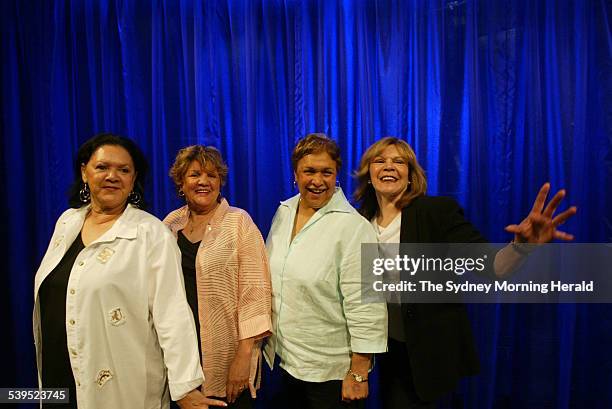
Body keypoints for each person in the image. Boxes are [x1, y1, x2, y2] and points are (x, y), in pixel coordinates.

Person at [354, 136, 578, 408]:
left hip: (428, 353)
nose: (389, 166)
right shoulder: (360, 221)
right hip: (386, 348)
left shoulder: (435, 212)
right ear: (369, 174)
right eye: (380, 161)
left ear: (411, 176)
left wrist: (522, 246)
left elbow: (491, 266)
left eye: (399, 161)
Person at [33, 133, 226, 409]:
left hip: (123, 387)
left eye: (124, 170)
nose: (112, 176)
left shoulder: (151, 234)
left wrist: (185, 388)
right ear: (84, 172)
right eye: (102, 167)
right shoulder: (67, 222)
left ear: (133, 180)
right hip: (58, 379)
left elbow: (172, 314)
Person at [264, 133, 388, 409]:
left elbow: (367, 307)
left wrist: (359, 373)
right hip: (285, 366)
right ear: (295, 173)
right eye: (309, 171)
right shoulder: (284, 211)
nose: (317, 181)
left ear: (336, 175)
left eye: (326, 172)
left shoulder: (355, 229)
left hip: (330, 375)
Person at [163, 145, 272, 409]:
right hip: (182, 357)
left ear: (220, 182)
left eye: (212, 175)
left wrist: (243, 356)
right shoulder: (168, 225)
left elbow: (255, 293)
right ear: (181, 182)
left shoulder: (239, 222)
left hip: (228, 356)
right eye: (195, 174)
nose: (203, 181)